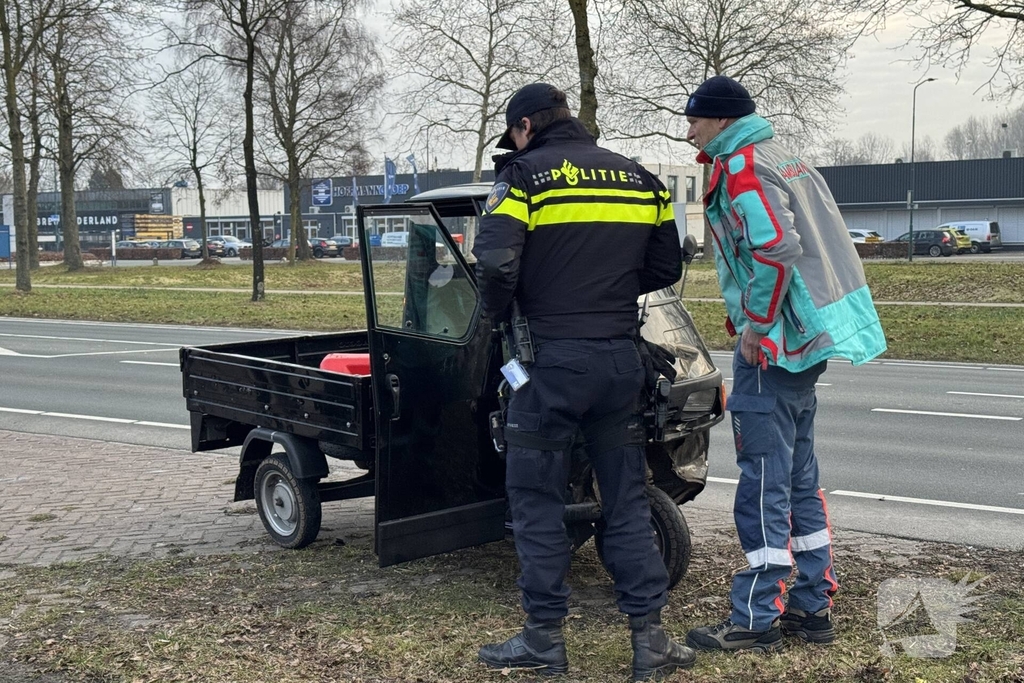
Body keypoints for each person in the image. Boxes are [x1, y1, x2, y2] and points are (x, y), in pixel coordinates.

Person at [472, 83, 695, 681]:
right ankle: (650, 642)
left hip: (548, 367)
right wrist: (608, 291)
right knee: (624, 501)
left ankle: (543, 640)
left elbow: (494, 262)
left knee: (538, 503)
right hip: (621, 361)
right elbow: (665, 265)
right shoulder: (640, 179)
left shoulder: (521, 178)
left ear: (523, 127)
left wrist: (502, 313)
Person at [680, 76, 887, 653]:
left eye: (695, 118)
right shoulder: (782, 155)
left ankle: (755, 616)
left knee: (763, 480)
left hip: (777, 343)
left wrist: (755, 325)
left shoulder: (744, 166)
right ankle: (812, 606)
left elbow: (774, 248)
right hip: (808, 340)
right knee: (799, 478)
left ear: (721, 120)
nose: (688, 129)